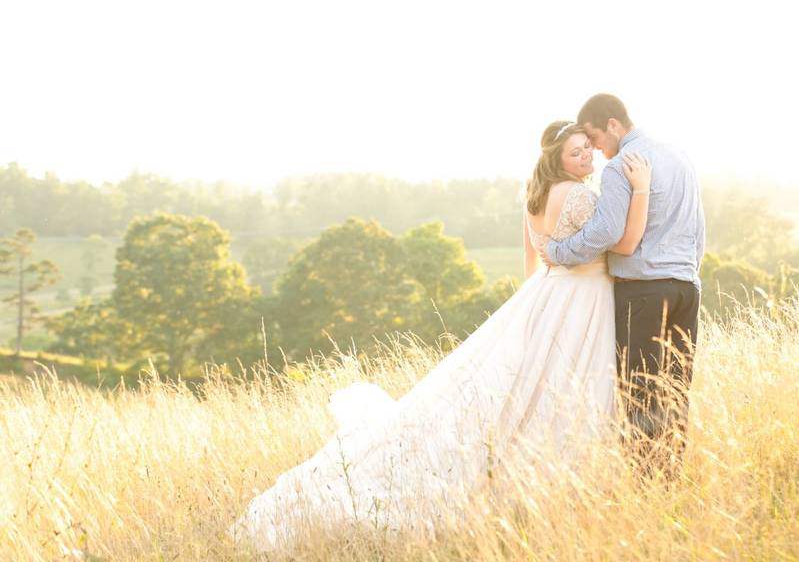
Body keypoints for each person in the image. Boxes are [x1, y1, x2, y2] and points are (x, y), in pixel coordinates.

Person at [229, 120, 651, 552]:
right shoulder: (579, 194)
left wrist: (533, 312)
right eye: (575, 152)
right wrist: (639, 188)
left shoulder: (535, 197)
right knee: (565, 391)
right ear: (556, 159)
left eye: (587, 149)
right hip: (580, 298)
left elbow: (531, 264)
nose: (585, 158)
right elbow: (619, 242)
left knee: (524, 389)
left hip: (544, 295)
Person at [545, 93, 705, 471]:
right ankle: (669, 475)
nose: (597, 151)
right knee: (675, 388)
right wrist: (688, 272)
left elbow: (605, 232)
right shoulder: (679, 156)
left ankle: (643, 480)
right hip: (686, 287)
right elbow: (698, 230)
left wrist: (560, 251)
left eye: (596, 139)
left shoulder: (621, 167)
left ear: (613, 125)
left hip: (644, 292)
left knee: (638, 390)